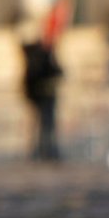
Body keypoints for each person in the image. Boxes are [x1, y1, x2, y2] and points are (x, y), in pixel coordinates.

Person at [22, 34, 64, 163]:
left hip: (40, 96)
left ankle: (42, 152)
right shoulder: (42, 57)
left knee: (43, 126)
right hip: (45, 96)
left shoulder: (34, 57)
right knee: (45, 126)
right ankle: (46, 152)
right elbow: (58, 72)